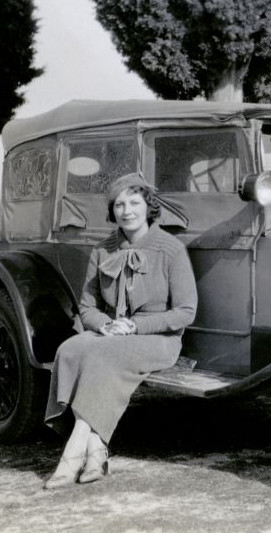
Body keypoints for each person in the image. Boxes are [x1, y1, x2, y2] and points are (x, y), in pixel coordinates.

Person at [43, 172, 197, 489]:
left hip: (158, 339)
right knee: (70, 349)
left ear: (149, 206)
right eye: (119, 205)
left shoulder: (171, 249)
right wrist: (106, 325)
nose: (127, 211)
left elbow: (185, 311)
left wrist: (136, 325)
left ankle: (74, 448)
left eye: (134, 203)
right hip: (113, 334)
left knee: (101, 355)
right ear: (112, 211)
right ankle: (97, 451)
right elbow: (87, 307)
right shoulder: (103, 250)